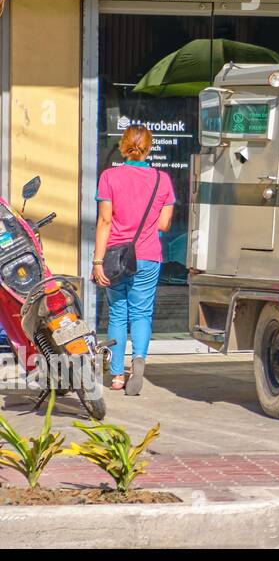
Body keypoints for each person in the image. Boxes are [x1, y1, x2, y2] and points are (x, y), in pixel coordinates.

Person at [92, 125, 176, 395]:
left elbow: (105, 220)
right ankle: (138, 359)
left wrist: (97, 261)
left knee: (118, 312)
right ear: (149, 147)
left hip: (116, 255)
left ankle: (117, 376)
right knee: (141, 313)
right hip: (148, 256)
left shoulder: (109, 177)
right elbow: (164, 224)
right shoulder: (162, 179)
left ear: (122, 145)